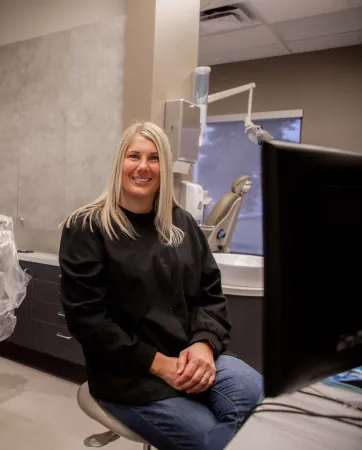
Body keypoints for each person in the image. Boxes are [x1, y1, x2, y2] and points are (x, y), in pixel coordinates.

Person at [59, 122, 262, 450]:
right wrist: (158, 363)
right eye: (133, 156)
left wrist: (205, 345)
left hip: (190, 356)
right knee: (213, 439)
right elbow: (88, 321)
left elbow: (210, 294)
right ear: (119, 163)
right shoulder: (87, 228)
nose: (143, 166)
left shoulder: (181, 223)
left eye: (154, 158)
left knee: (260, 399)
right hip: (129, 375)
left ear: (164, 167)